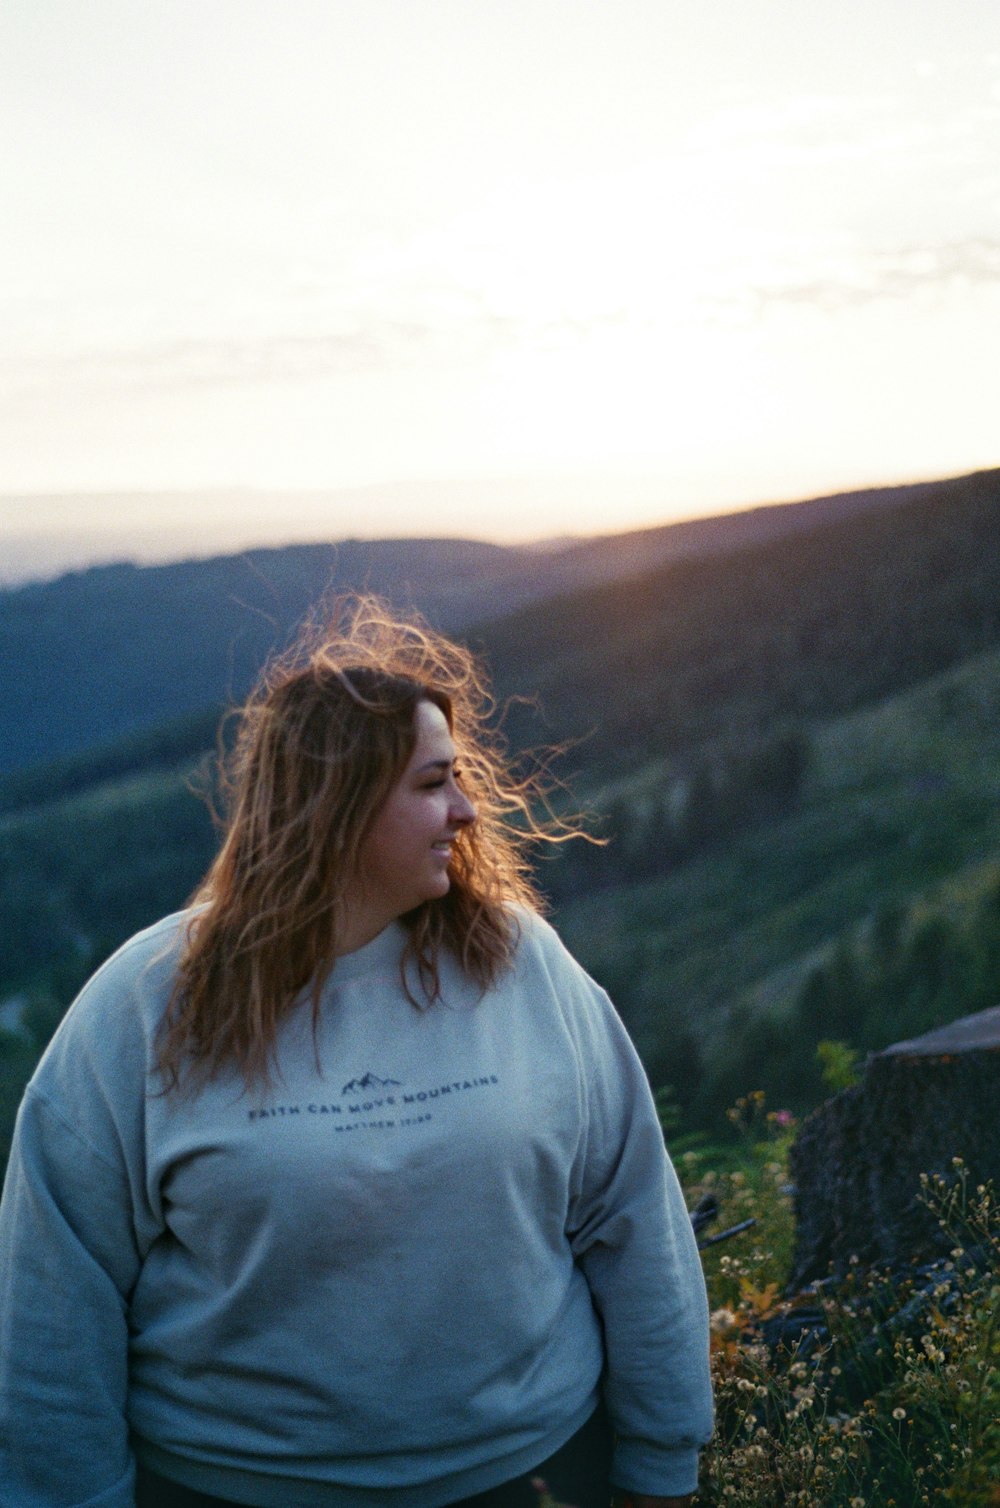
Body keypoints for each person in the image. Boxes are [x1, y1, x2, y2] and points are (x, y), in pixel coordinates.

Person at [0, 596, 712, 1508]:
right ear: (332, 806)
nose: (465, 810)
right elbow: (57, 1294)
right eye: (429, 785)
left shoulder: (522, 966)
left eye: (458, 777)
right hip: (235, 1491)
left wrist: (663, 1462)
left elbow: (633, 1218)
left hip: (530, 1477)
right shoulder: (145, 1003)